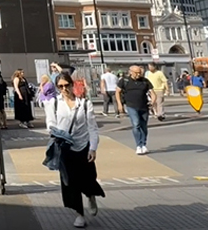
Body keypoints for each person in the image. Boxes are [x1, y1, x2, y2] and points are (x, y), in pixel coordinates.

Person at [45, 71, 105, 228]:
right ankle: (79, 214)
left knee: (88, 177)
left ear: (72, 85)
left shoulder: (85, 104)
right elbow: (50, 124)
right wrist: (58, 133)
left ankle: (91, 196)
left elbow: (92, 128)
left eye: (66, 85)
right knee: (69, 182)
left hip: (83, 146)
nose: (64, 89)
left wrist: (93, 148)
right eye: (60, 86)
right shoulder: (54, 104)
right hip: (65, 148)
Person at [115, 65, 156, 155]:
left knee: (144, 126)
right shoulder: (124, 81)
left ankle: (143, 144)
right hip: (131, 106)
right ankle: (138, 145)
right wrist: (119, 104)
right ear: (130, 72)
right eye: (136, 73)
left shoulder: (145, 81)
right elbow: (117, 92)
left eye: (139, 72)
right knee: (136, 124)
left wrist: (152, 103)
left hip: (144, 106)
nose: (138, 74)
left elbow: (153, 93)